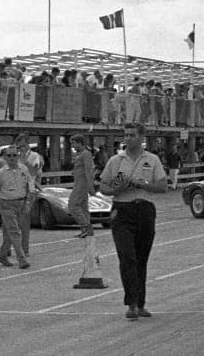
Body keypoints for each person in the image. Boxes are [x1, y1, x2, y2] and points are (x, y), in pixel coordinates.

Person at [99, 122, 167, 321]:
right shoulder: (115, 160)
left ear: (141, 137)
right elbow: (103, 186)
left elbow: (163, 186)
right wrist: (116, 189)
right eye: (126, 135)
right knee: (127, 257)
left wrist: (141, 184)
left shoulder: (152, 160)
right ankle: (132, 303)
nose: (128, 138)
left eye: (132, 135)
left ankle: (141, 302)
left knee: (141, 258)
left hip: (144, 209)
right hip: (122, 210)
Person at [0, 146, 33, 268]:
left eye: (14, 155)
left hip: (20, 203)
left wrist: (28, 202)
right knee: (15, 231)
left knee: (10, 233)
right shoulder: (0, 174)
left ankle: (2, 255)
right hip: (6, 204)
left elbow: (29, 185)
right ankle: (21, 259)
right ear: (5, 157)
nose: (12, 158)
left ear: (18, 156)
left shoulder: (24, 169)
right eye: (9, 155)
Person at [68, 134, 96, 237]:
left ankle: (86, 226)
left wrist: (90, 187)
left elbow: (88, 171)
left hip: (82, 184)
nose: (72, 146)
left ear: (80, 143)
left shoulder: (86, 154)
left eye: (74, 143)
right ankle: (85, 231)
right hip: (78, 182)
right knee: (83, 207)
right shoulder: (79, 154)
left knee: (73, 205)